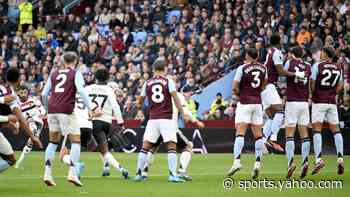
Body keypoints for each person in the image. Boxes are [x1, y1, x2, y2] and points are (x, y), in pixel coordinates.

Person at [42, 52, 93, 187]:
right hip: (66, 110)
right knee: (76, 141)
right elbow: (81, 91)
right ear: (75, 61)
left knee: (53, 143)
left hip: (52, 110)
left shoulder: (54, 74)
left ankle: (47, 173)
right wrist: (90, 108)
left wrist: (48, 109)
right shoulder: (75, 73)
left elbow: (44, 94)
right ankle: (72, 172)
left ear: (63, 61)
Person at [141, 76, 205, 181]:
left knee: (152, 149)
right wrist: (196, 121)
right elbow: (185, 110)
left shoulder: (155, 92)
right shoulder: (178, 95)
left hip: (156, 124)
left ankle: (144, 172)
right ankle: (181, 171)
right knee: (188, 147)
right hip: (169, 126)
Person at [134, 58, 185, 182]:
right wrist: (181, 111)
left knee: (145, 146)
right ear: (164, 69)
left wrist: (140, 107)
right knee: (172, 146)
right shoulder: (168, 81)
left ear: (153, 69)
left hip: (152, 119)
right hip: (166, 118)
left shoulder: (147, 82)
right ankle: (173, 175)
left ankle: (138, 174)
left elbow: (139, 100)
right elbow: (175, 97)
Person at [227, 48, 267, 179]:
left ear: (248, 56)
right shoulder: (263, 68)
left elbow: (234, 87)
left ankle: (237, 161)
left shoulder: (242, 68)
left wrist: (241, 94)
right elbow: (264, 85)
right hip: (257, 103)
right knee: (258, 134)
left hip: (244, 103)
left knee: (240, 132)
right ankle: (257, 163)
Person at [261, 34, 305, 152]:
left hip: (264, 87)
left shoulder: (270, 52)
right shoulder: (277, 52)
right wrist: (296, 74)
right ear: (279, 41)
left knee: (271, 116)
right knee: (280, 111)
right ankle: (273, 138)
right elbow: (280, 71)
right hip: (269, 85)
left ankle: (263, 140)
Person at [85, 68, 129, 179]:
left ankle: (121, 169)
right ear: (107, 78)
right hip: (107, 122)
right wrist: (120, 122)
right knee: (104, 147)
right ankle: (106, 167)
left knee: (103, 149)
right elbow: (115, 106)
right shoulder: (109, 90)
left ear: (95, 77)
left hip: (94, 121)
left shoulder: (88, 88)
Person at [0, 68, 42, 173]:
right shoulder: (12, 96)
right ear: (19, 79)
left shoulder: (12, 95)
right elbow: (21, 120)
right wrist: (8, 119)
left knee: (11, 159)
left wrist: (9, 123)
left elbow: (20, 119)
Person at [310, 47, 344, 175]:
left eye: (322, 52)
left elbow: (312, 83)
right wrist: (332, 92)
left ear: (325, 53)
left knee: (317, 129)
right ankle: (340, 158)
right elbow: (340, 85)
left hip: (319, 100)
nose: (320, 53)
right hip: (331, 101)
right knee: (336, 130)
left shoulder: (317, 66)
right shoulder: (338, 67)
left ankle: (318, 159)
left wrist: (314, 93)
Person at [283, 46, 312, 178]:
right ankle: (305, 161)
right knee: (304, 133)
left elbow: (283, 74)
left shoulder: (290, 62)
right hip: (304, 102)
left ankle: (290, 163)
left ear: (292, 54)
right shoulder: (308, 65)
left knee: (289, 133)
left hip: (292, 101)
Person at [15, 85, 46, 169]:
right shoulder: (16, 104)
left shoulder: (33, 99)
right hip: (26, 123)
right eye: (21, 93)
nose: (24, 94)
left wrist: (42, 114)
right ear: (18, 93)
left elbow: (42, 109)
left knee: (32, 126)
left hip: (37, 121)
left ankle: (18, 163)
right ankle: (19, 163)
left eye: (25, 92)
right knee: (30, 142)